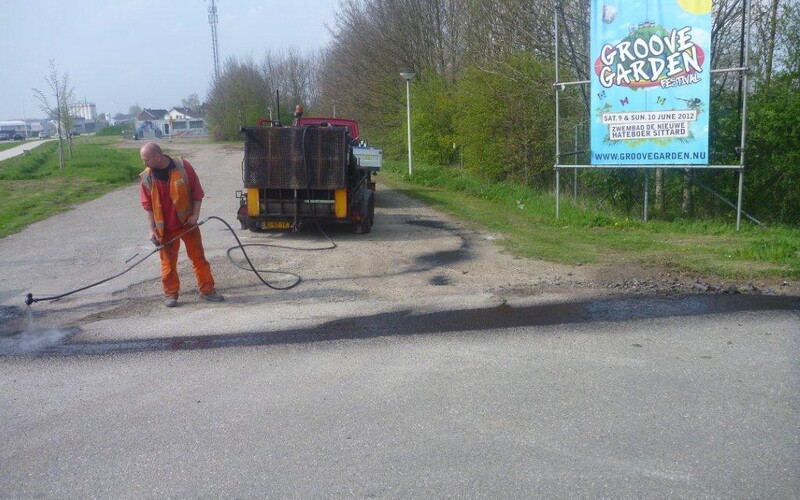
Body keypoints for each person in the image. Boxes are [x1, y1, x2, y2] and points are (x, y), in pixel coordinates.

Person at [139, 142, 224, 307]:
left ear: (157, 156)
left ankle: (207, 290)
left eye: (146, 159)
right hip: (165, 229)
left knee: (199, 259)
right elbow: (148, 207)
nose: (145, 163)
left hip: (187, 224)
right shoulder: (146, 177)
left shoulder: (183, 167)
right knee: (168, 264)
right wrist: (151, 230)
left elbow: (197, 192)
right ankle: (171, 294)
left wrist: (195, 214)